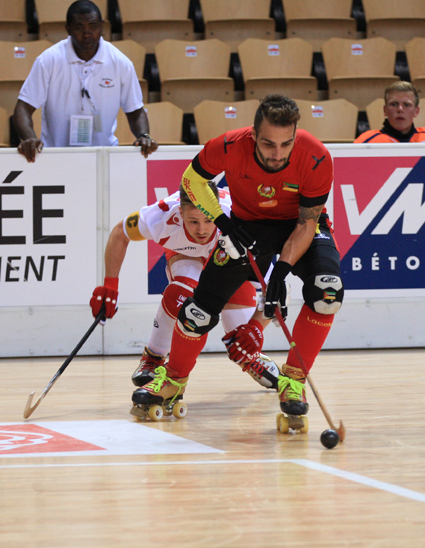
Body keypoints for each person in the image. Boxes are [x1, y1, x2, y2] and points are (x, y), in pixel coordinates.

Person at [132, 94, 344, 420]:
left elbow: (306, 223)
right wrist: (223, 222)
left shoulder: (316, 157)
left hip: (302, 226)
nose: (277, 154)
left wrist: (281, 271)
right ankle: (173, 380)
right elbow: (192, 179)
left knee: (327, 292)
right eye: (268, 144)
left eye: (286, 144)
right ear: (253, 134)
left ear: (295, 135)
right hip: (247, 228)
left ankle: (293, 381)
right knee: (197, 312)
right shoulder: (229, 146)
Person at [89, 181, 281, 392]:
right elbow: (120, 233)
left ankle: (249, 356)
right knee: (181, 295)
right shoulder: (161, 216)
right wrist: (110, 285)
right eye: (193, 221)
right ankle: (153, 357)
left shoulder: (241, 223)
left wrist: (255, 328)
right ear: (180, 213)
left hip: (228, 255)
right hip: (185, 255)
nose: (202, 230)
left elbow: (276, 291)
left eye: (208, 219)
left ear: (218, 211)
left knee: (240, 338)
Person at [13, 0, 157, 162]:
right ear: (68, 29)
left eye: (93, 26)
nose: (87, 33)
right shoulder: (49, 60)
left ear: (102, 26)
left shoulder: (120, 62)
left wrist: (144, 135)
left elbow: (136, 111)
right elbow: (23, 108)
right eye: (79, 27)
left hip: (104, 155)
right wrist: (29, 138)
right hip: (55, 155)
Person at [355, 81, 425, 143]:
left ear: (416, 111)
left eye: (406, 105)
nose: (400, 109)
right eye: (394, 104)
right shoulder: (367, 142)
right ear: (385, 110)